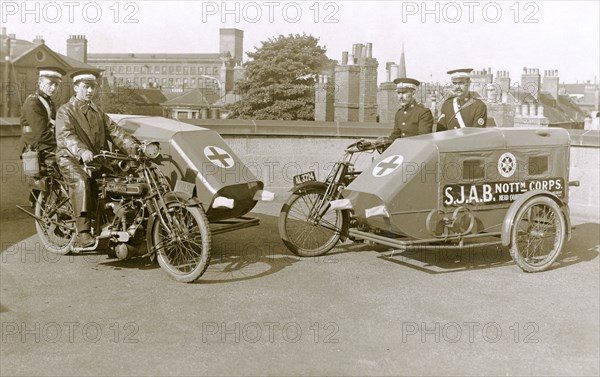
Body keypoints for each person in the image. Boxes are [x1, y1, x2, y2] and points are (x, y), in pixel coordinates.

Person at [55, 70, 140, 247]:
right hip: (69, 157)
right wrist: (82, 151)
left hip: (96, 158)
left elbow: (115, 132)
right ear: (76, 87)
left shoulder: (98, 111)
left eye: (93, 87)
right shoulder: (65, 111)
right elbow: (66, 135)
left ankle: (116, 223)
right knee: (81, 182)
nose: (90, 91)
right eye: (86, 87)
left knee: (123, 181)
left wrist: (136, 148)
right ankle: (83, 232)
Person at [19, 67, 66, 162]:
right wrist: (64, 142)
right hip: (35, 145)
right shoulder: (33, 103)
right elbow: (41, 134)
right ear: (40, 82)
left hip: (45, 143)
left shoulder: (47, 101)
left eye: (56, 84)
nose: (53, 87)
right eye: (50, 83)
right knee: (69, 157)